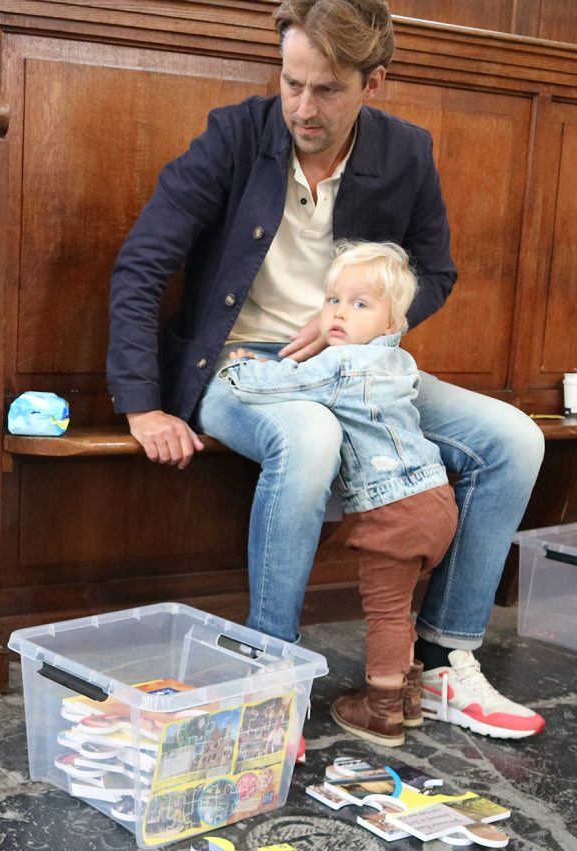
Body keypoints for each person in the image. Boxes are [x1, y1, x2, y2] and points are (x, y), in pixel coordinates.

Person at [107, 0, 545, 740]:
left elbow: (434, 272)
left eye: (328, 90)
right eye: (292, 84)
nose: (303, 108)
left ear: (374, 82)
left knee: (514, 439)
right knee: (308, 436)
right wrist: (142, 404)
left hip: (358, 365)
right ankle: (268, 674)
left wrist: (362, 316)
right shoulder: (234, 136)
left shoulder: (406, 152)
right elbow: (142, 264)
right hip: (239, 369)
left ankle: (439, 659)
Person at [223, 241, 458, 746]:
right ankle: (411, 697)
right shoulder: (401, 363)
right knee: (404, 604)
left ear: (393, 321)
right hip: (437, 501)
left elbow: (271, 387)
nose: (339, 314)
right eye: (333, 300)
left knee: (388, 613)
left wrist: (236, 367)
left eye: (360, 304)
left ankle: (382, 710)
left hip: (394, 511)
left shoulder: (340, 365)